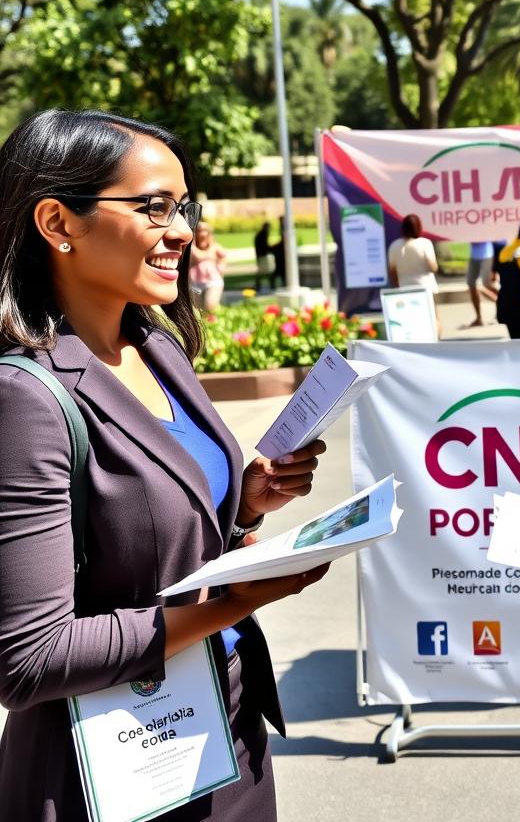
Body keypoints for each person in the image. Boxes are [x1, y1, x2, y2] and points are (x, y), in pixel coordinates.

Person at [0, 109, 331, 821]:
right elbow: (31, 659)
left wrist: (242, 506)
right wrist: (235, 603)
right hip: (111, 763)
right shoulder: (24, 397)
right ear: (58, 223)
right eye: (154, 206)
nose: (181, 229)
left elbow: (153, 525)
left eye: (183, 205)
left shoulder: (158, 345)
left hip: (227, 729)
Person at [387, 213, 440, 336]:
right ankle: (436, 342)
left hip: (405, 289)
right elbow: (433, 267)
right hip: (426, 287)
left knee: (410, 322)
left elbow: (393, 272)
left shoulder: (394, 246)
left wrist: (397, 288)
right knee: (433, 318)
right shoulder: (424, 243)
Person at [189, 221, 229, 311]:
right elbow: (198, 256)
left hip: (212, 281)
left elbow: (223, 257)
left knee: (210, 306)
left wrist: (220, 265)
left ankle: (213, 323)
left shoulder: (216, 246)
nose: (202, 233)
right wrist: (211, 253)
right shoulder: (191, 248)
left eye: (205, 230)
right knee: (197, 310)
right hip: (195, 284)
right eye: (199, 230)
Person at [463, 241, 499, 328]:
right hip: (474, 255)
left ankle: (508, 302)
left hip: (487, 254)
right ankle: (479, 318)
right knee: (471, 283)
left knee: (487, 284)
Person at [253, 221, 273, 292]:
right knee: (268, 271)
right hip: (262, 255)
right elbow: (265, 245)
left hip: (260, 255)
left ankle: (259, 285)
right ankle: (270, 285)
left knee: (262, 271)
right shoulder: (264, 234)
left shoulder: (260, 234)